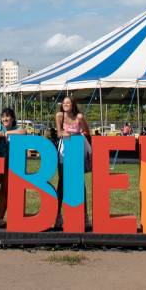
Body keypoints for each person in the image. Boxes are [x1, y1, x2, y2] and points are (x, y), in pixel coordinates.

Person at [54, 96, 91, 229]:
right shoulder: (59, 115)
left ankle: (84, 216)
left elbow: (87, 131)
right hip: (64, 149)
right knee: (62, 181)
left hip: (76, 148)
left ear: (73, 104)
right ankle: (58, 215)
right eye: (64, 103)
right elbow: (58, 133)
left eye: (68, 103)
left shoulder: (79, 117)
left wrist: (76, 135)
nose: (65, 104)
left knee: (79, 182)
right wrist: (63, 133)